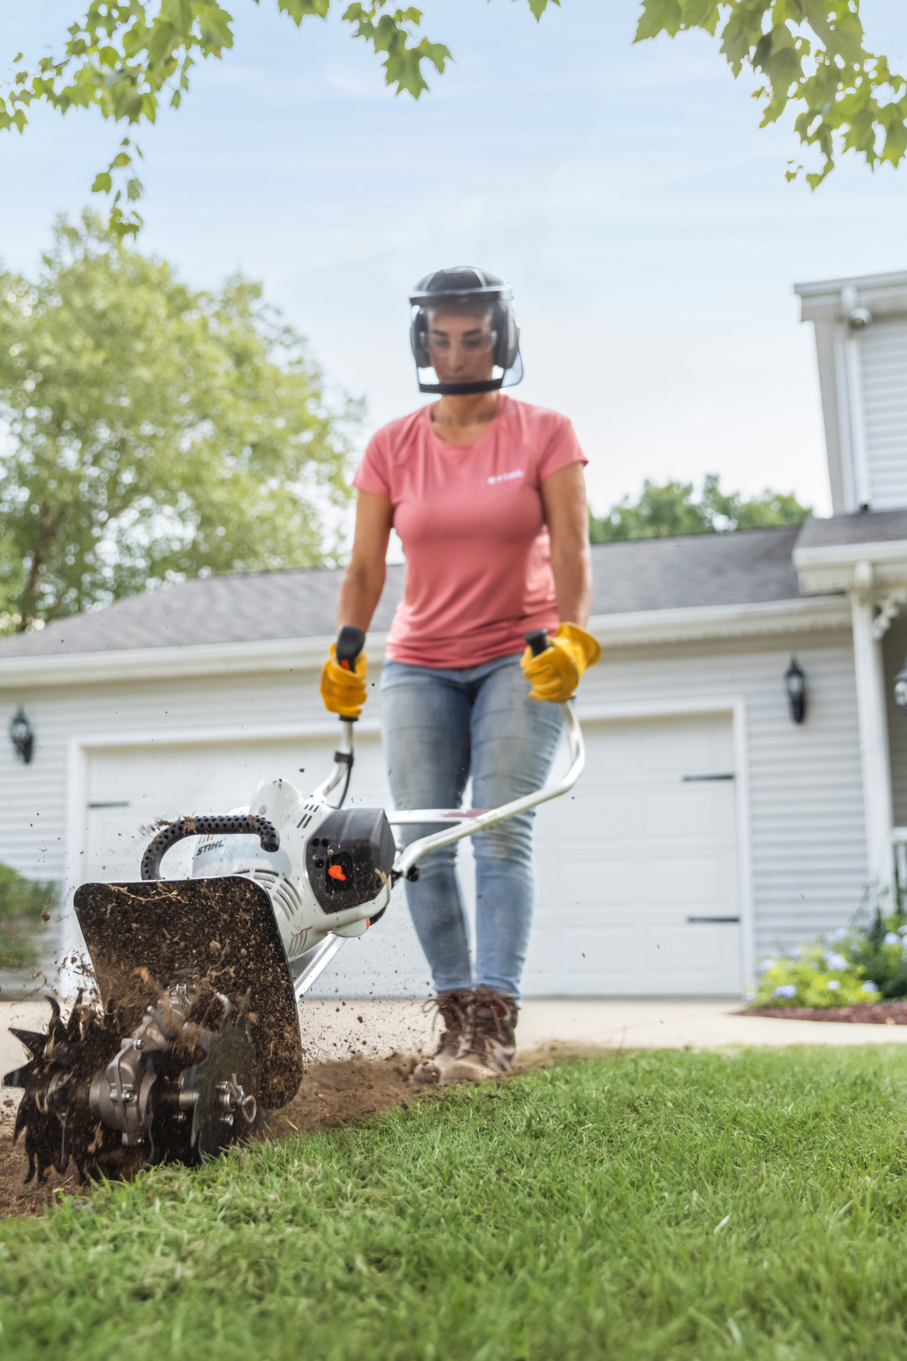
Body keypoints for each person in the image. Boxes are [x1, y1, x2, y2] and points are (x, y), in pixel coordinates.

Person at [319, 266, 600, 1084]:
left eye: (473, 339)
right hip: (421, 663)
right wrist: (344, 650)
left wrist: (575, 638)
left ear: (500, 339)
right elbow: (364, 566)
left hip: (521, 654)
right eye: (440, 340)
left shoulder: (546, 433)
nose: (457, 355)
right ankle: (453, 1026)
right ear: (423, 344)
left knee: (501, 832)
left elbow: (573, 548)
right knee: (423, 844)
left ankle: (492, 1025)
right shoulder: (392, 446)